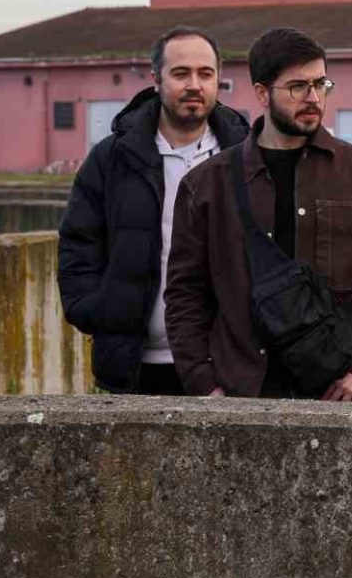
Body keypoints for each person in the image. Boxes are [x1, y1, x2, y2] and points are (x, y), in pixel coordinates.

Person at [164, 27, 352, 399]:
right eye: (298, 87)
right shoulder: (206, 184)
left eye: (320, 84)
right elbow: (184, 295)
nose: (313, 97)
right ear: (262, 93)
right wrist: (204, 384)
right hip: (240, 392)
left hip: (333, 390)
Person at [57, 26, 249, 394]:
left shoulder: (245, 157)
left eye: (205, 74)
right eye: (181, 73)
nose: (194, 85)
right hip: (136, 365)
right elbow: (77, 245)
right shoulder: (112, 159)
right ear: (155, 80)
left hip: (224, 366)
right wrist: (97, 311)